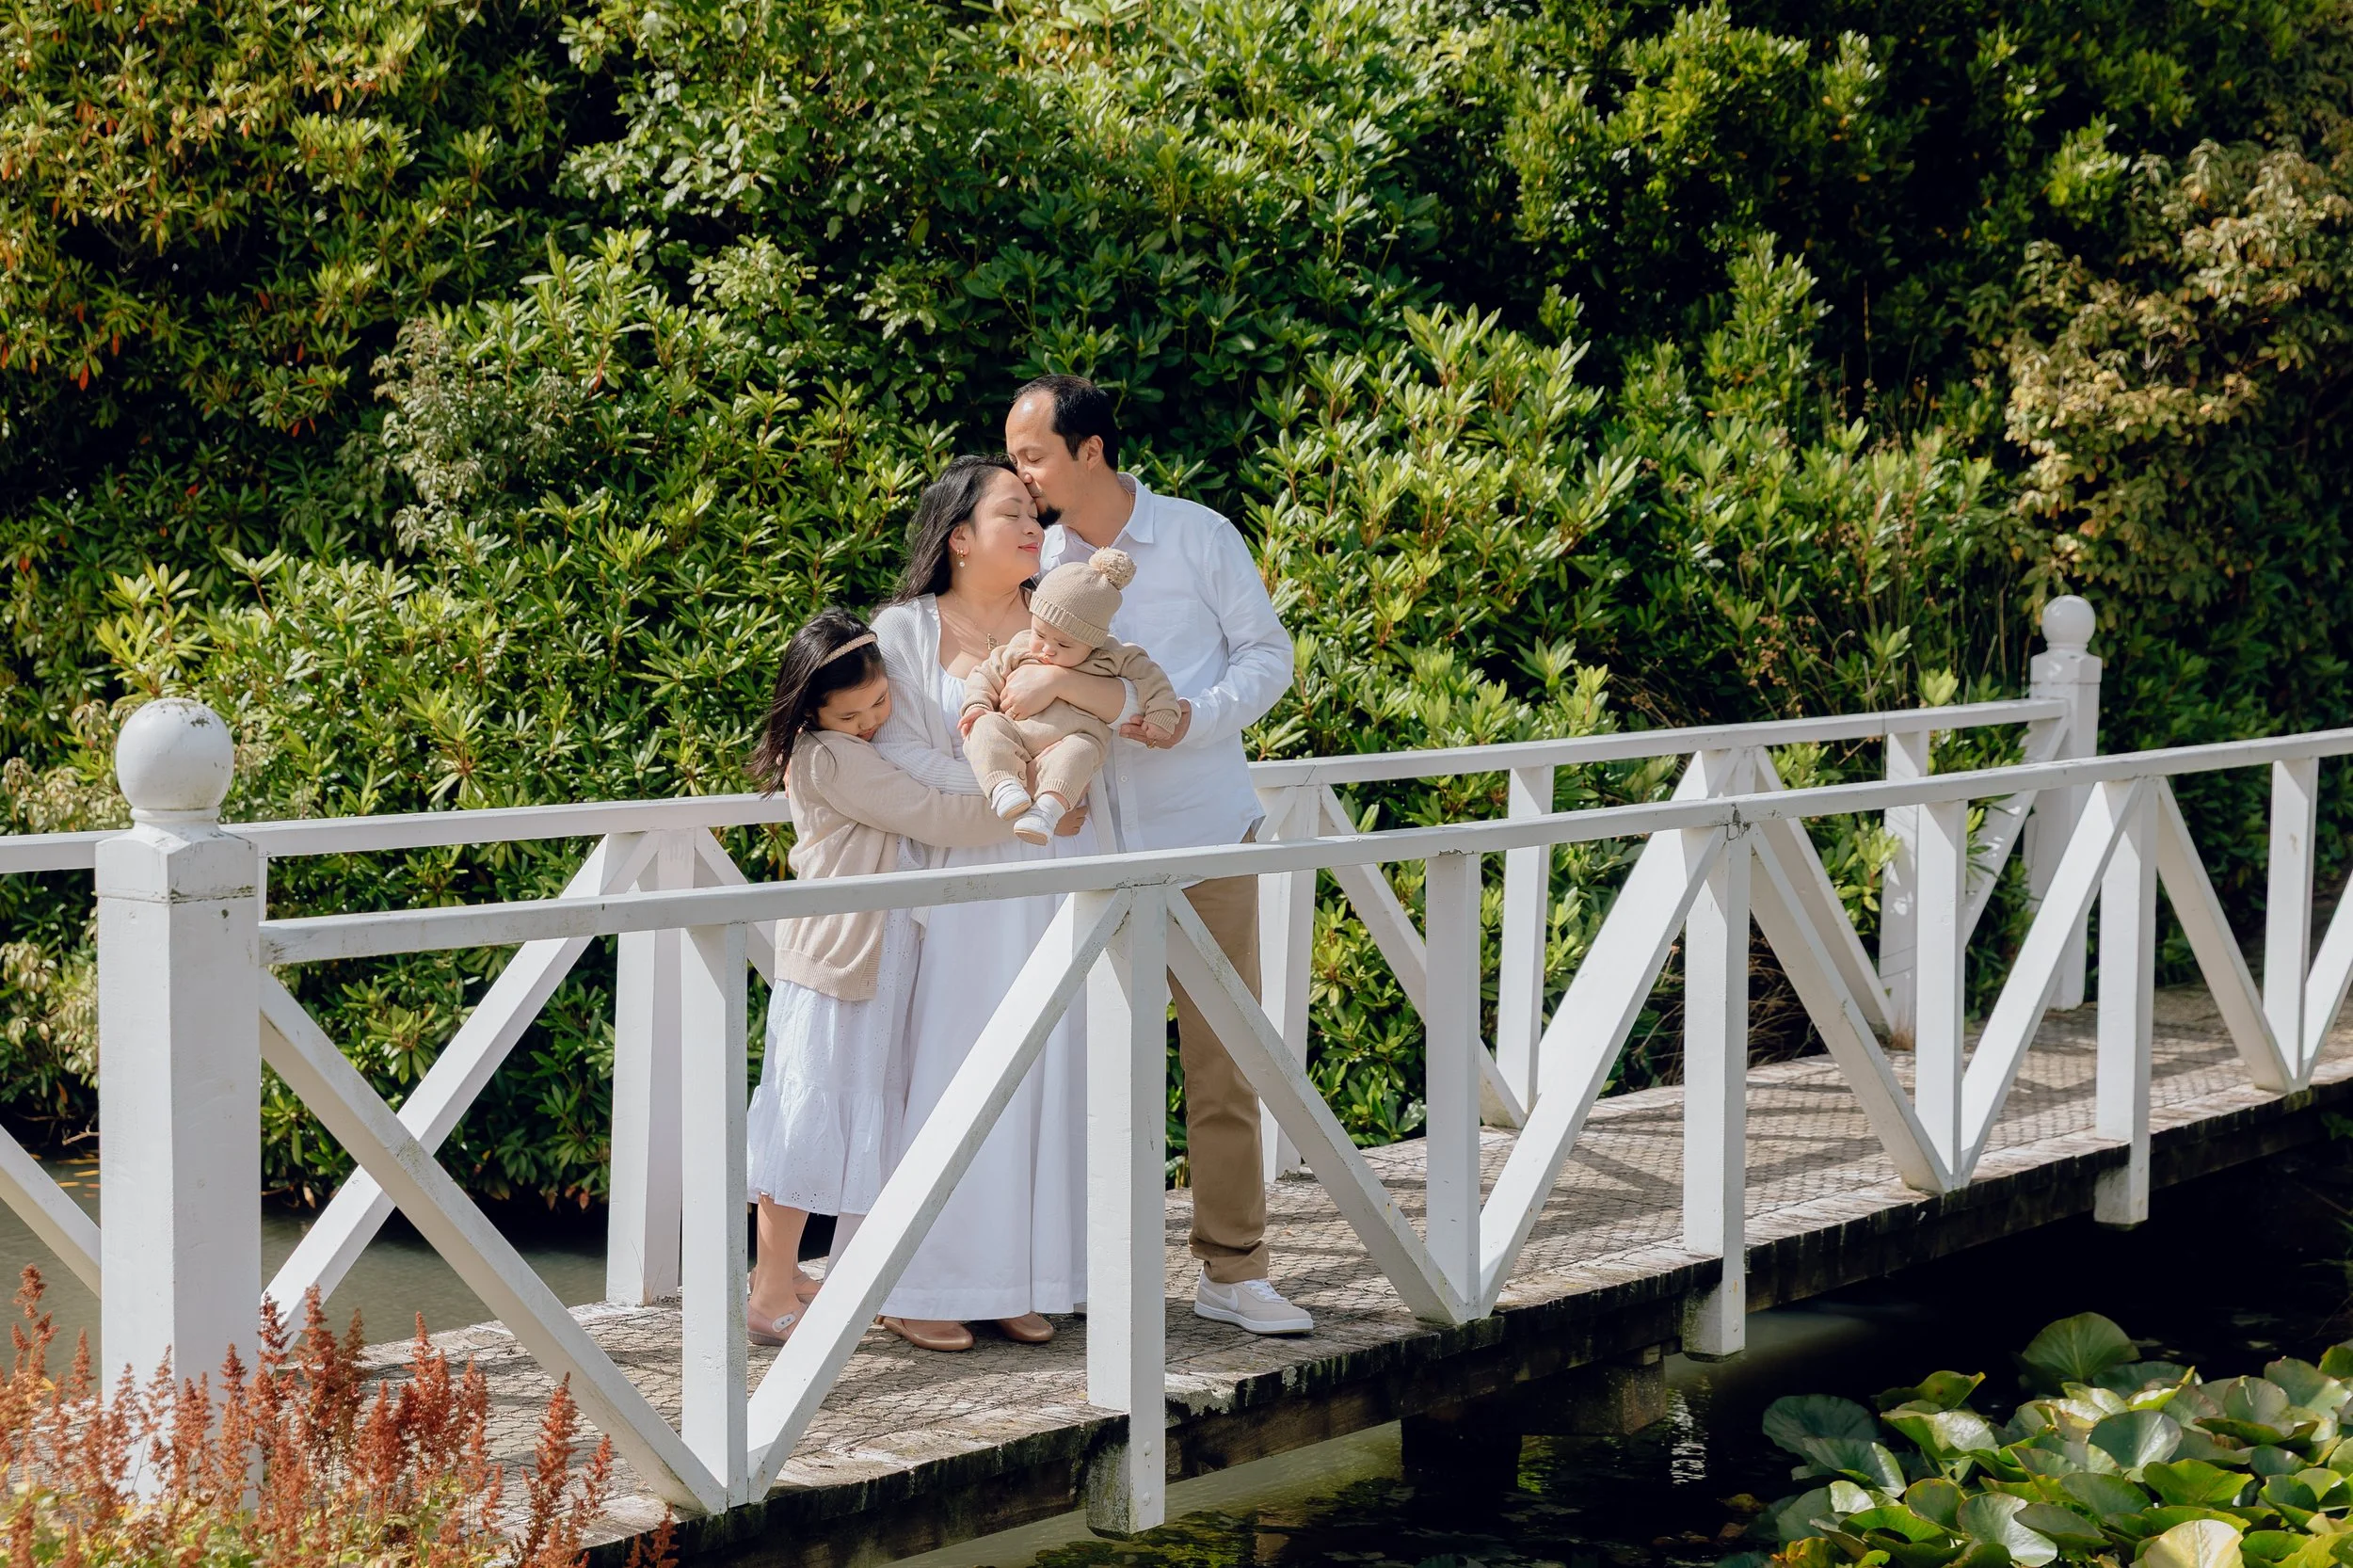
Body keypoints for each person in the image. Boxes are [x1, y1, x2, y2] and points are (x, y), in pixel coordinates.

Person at [1006, 374, 1315, 1336]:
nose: (1018, 474)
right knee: (1073, 1066)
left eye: (1032, 455)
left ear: (1089, 449)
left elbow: (1269, 655)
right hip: (1078, 846)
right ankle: (1082, 1269)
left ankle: (1234, 1270)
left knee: (1221, 1061)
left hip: (1205, 832)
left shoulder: (1196, 534)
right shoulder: (1029, 551)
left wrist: (1191, 720)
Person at [866, 455, 1127, 1352]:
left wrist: (1064, 716)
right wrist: (1001, 801)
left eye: (1033, 512)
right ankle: (921, 1281)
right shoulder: (903, 630)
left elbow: (1122, 700)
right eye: (1011, 512)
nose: (1034, 526)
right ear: (957, 538)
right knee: (950, 1064)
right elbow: (898, 752)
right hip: (962, 875)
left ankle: (1019, 1274)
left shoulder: (1061, 615)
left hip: (1058, 863)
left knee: (1048, 1066)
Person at [739, 608, 1019, 1346]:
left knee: (842, 1107)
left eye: (879, 705)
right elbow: (929, 813)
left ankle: (800, 1274)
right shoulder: (829, 756)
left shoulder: (846, 745)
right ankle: (768, 1291)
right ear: (812, 711)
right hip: (837, 955)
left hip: (872, 952)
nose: (869, 721)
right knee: (809, 1116)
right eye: (850, 712)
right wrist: (1033, 813)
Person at [959, 546, 1183, 842]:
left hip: (1072, 739)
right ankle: (1004, 788)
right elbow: (985, 673)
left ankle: (1046, 813)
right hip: (1016, 733)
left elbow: (1152, 678)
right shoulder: (1021, 646)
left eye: (1064, 645)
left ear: (1093, 643)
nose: (1047, 649)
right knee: (984, 727)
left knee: (1080, 752)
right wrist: (977, 706)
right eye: (1040, 634)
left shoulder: (1112, 656)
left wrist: (1162, 713)